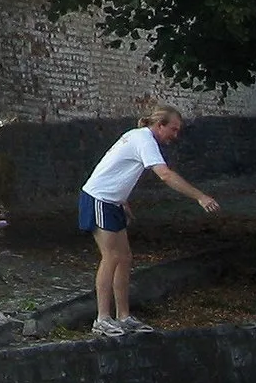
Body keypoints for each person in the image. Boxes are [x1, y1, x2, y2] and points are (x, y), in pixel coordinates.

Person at [80, 105, 220, 337]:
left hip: (113, 202)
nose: (175, 136)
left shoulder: (139, 137)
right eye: (173, 130)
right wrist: (200, 196)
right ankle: (102, 319)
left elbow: (115, 167)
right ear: (159, 125)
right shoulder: (144, 139)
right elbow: (165, 175)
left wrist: (122, 200)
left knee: (124, 257)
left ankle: (123, 317)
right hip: (99, 199)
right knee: (112, 257)